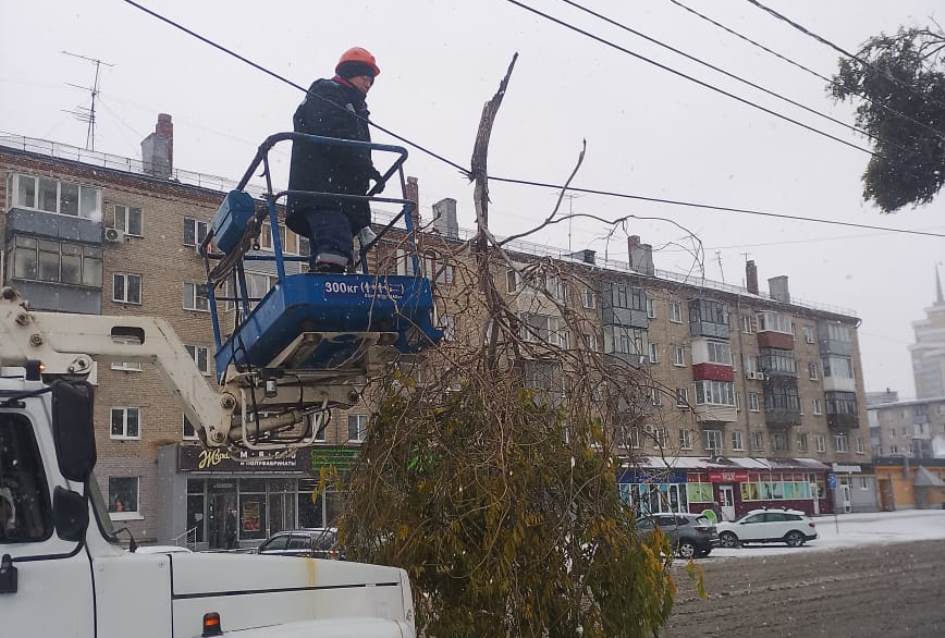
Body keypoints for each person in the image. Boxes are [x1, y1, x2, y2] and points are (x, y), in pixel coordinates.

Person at [288, 47, 384, 273]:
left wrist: (367, 170)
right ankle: (329, 285)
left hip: (338, 194)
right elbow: (334, 135)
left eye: (371, 79)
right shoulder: (327, 93)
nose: (369, 83)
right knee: (334, 245)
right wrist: (365, 167)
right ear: (351, 73)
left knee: (335, 248)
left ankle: (329, 283)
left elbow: (348, 144)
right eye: (365, 76)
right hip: (324, 192)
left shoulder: (354, 106)